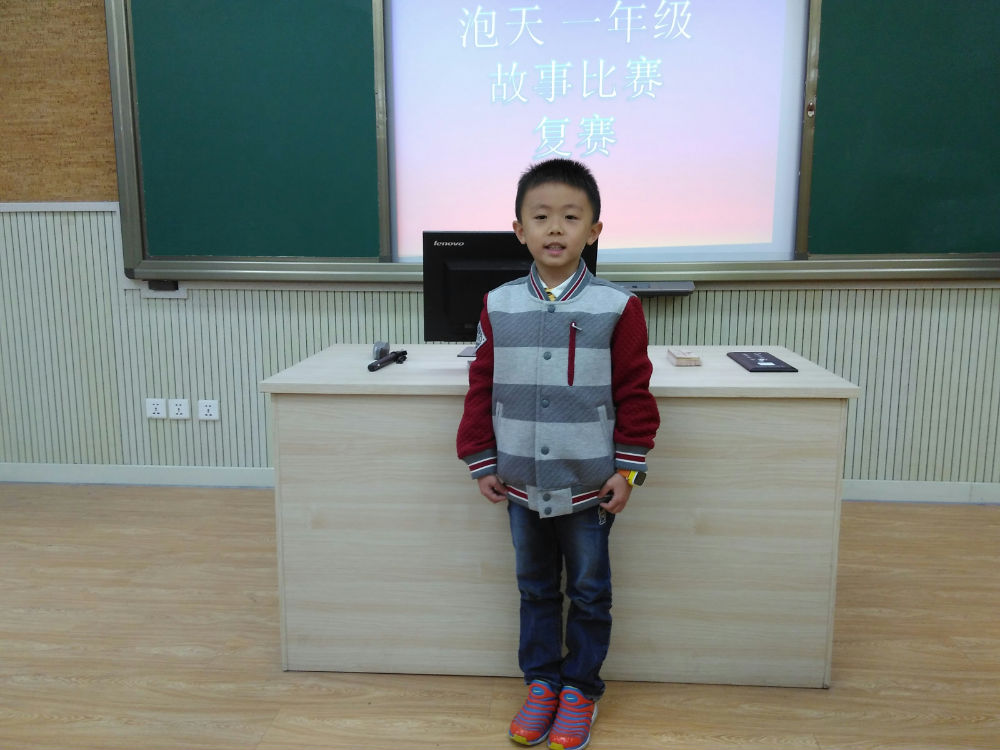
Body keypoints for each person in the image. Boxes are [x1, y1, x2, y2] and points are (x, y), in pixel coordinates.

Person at [456, 158, 660, 750]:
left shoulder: (618, 306)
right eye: (541, 216)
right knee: (536, 588)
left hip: (589, 482)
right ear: (519, 229)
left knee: (589, 592)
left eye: (570, 217)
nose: (554, 228)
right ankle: (542, 683)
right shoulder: (498, 303)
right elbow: (480, 385)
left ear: (593, 231)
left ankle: (581, 690)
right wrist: (480, 458)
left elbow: (634, 392)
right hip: (519, 479)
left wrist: (628, 470)